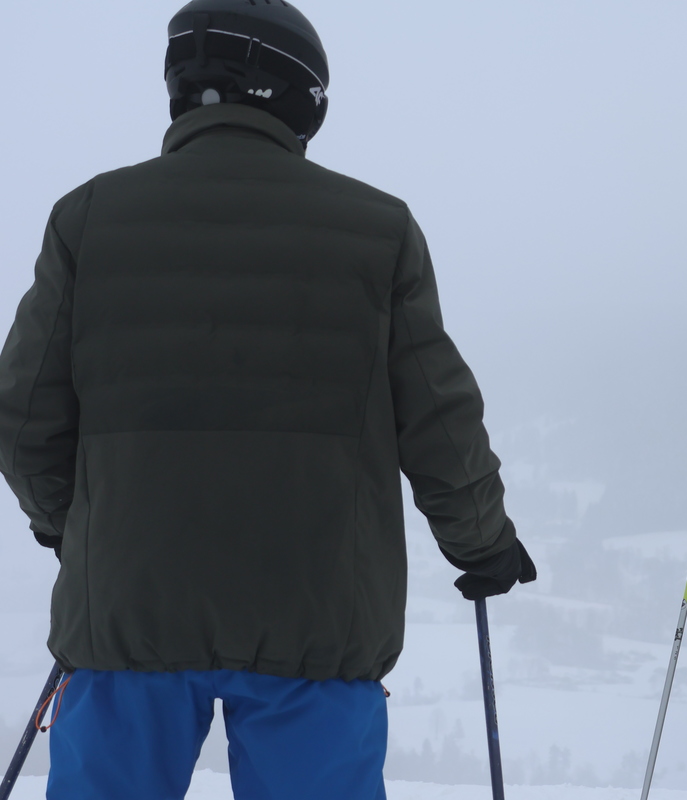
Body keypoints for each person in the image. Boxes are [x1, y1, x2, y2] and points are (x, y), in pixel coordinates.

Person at [0, 2, 534, 798]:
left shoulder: (88, 219)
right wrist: (482, 543)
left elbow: (22, 418)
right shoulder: (377, 231)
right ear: (299, 97)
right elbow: (440, 421)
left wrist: (71, 524)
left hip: (125, 612)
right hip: (318, 626)